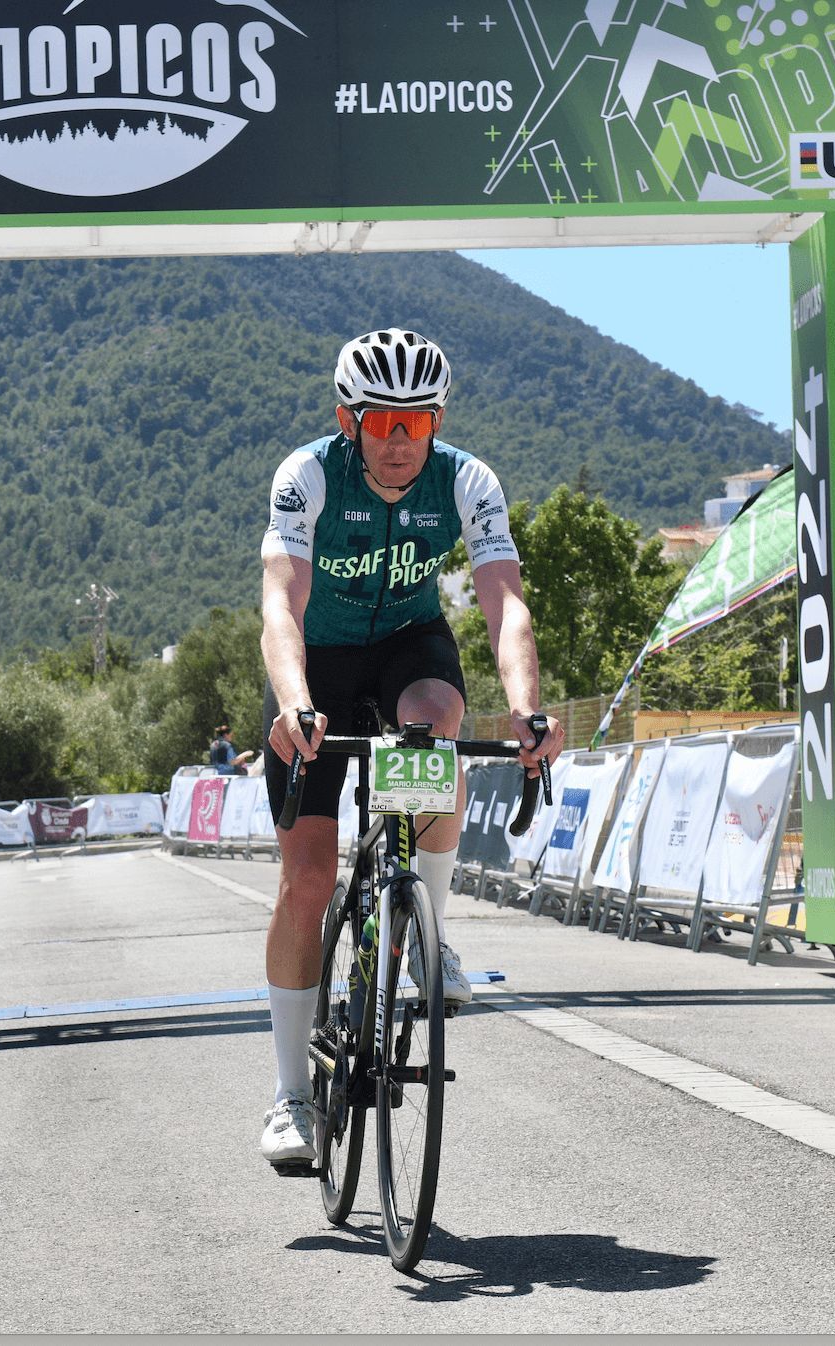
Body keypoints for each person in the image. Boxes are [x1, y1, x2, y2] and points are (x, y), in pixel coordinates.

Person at [256, 327, 564, 1167]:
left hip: (406, 644)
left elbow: (505, 604)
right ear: (347, 421)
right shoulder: (308, 475)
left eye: (418, 423)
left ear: (437, 423)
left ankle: (428, 929)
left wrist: (527, 710)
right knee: (307, 879)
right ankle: (290, 1096)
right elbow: (281, 601)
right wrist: (295, 702)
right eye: (383, 423)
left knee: (435, 721)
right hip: (316, 660)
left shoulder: (466, 481)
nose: (400, 441)